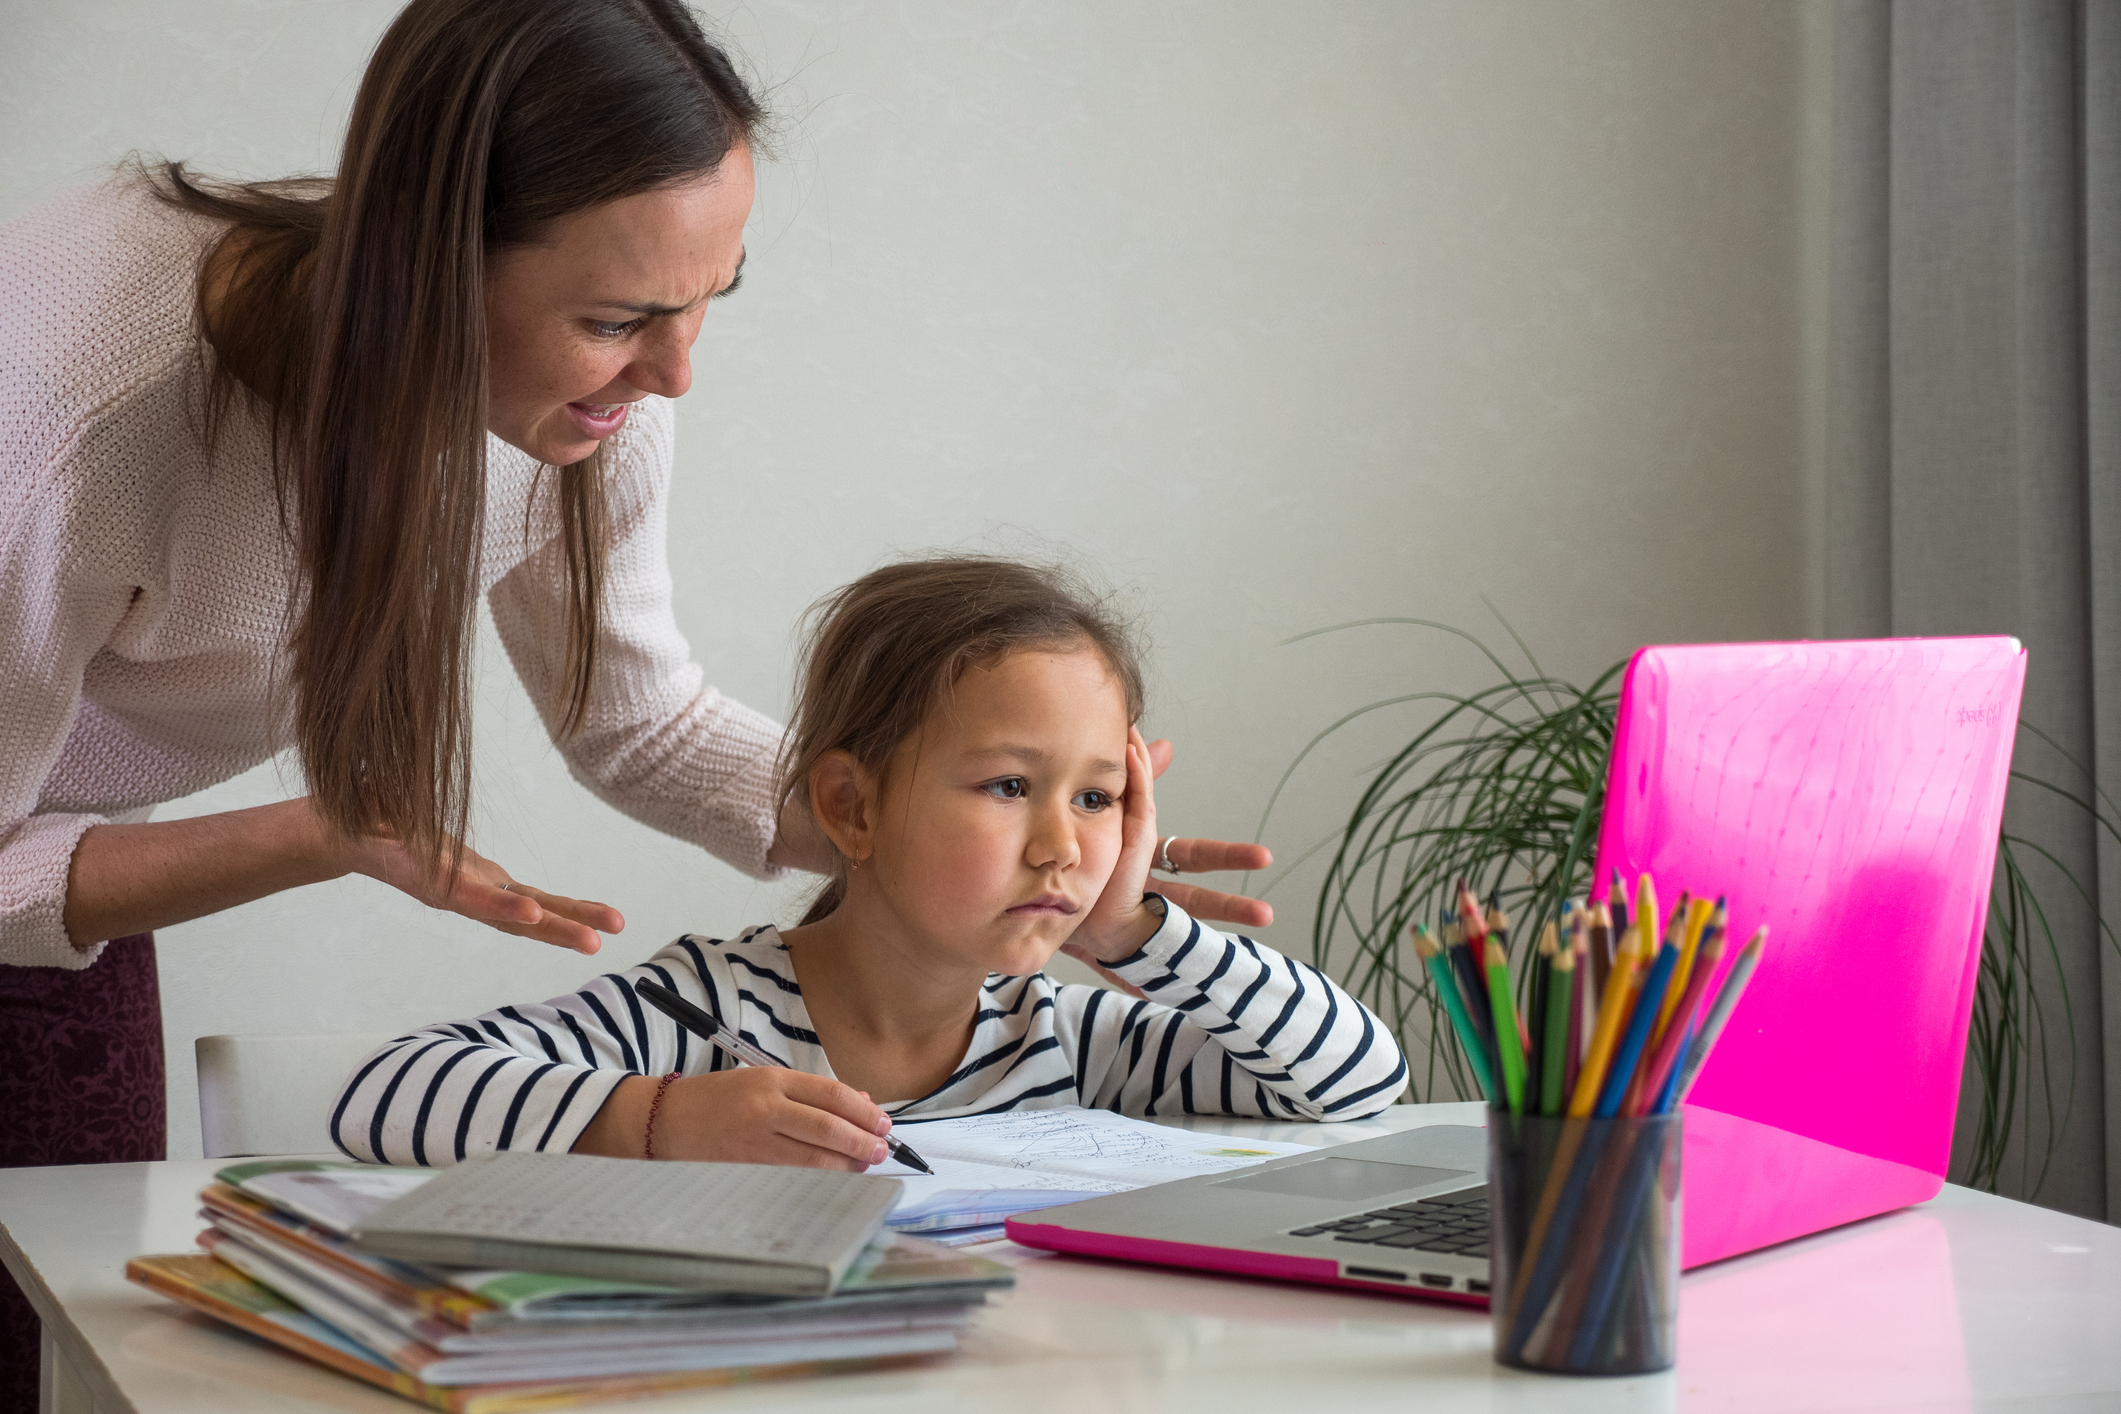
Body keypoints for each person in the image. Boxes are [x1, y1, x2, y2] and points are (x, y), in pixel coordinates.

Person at [0, 1, 1268, 1404]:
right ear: (425, 270)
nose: (673, 377)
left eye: (708, 299)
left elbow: (643, 723)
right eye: (616, 320)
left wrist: (945, 822)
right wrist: (323, 833)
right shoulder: (67, 409)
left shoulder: (591, 408)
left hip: (59, 875)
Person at [332, 557, 1407, 1168]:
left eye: (1096, 797)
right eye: (1006, 786)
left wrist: (1132, 932)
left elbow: (1361, 1083)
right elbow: (384, 1093)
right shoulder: (711, 1012)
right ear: (850, 805)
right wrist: (659, 1120)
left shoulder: (1067, 1039)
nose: (1062, 843)